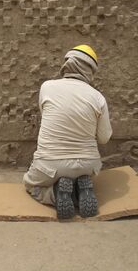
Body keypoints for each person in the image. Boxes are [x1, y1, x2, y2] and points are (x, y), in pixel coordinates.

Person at [23, 45, 112, 219]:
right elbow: (104, 138)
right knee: (82, 173)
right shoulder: (98, 97)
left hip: (50, 166)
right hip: (88, 166)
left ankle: (56, 194)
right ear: (91, 70)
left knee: (30, 185)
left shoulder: (47, 87)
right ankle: (80, 189)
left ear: (67, 64)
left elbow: (48, 118)